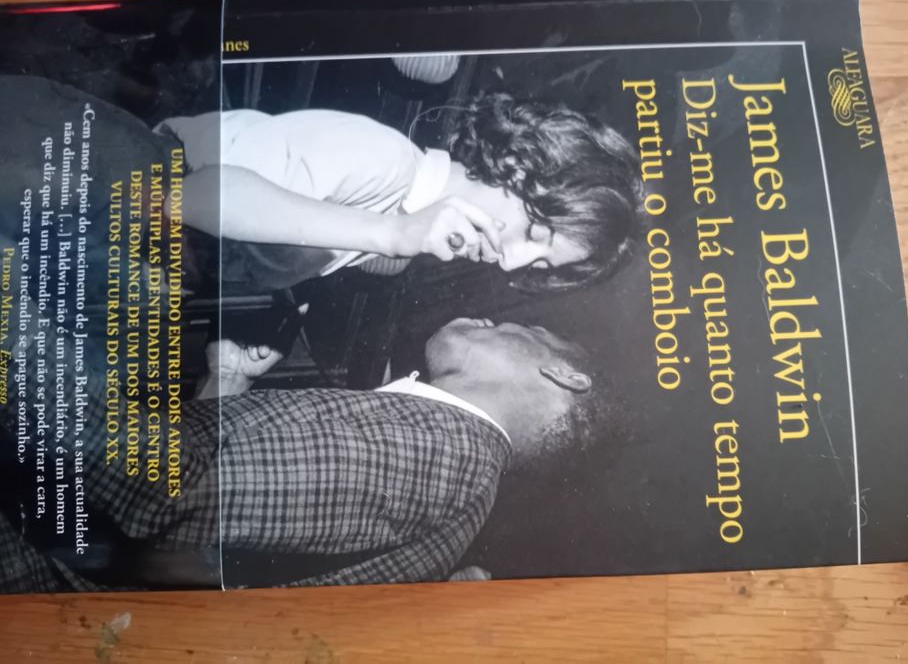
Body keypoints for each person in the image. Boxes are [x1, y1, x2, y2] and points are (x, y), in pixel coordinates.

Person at [1, 310, 614, 591]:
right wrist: (225, 393)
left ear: (565, 375)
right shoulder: (456, 473)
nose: (488, 318)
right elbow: (210, 537)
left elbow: (165, 493)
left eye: (523, 328)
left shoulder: (439, 450)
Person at [168, 91, 644, 294]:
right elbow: (189, 196)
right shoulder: (385, 160)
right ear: (518, 165)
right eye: (534, 234)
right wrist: (389, 234)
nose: (509, 262)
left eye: (539, 265)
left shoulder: (405, 212)